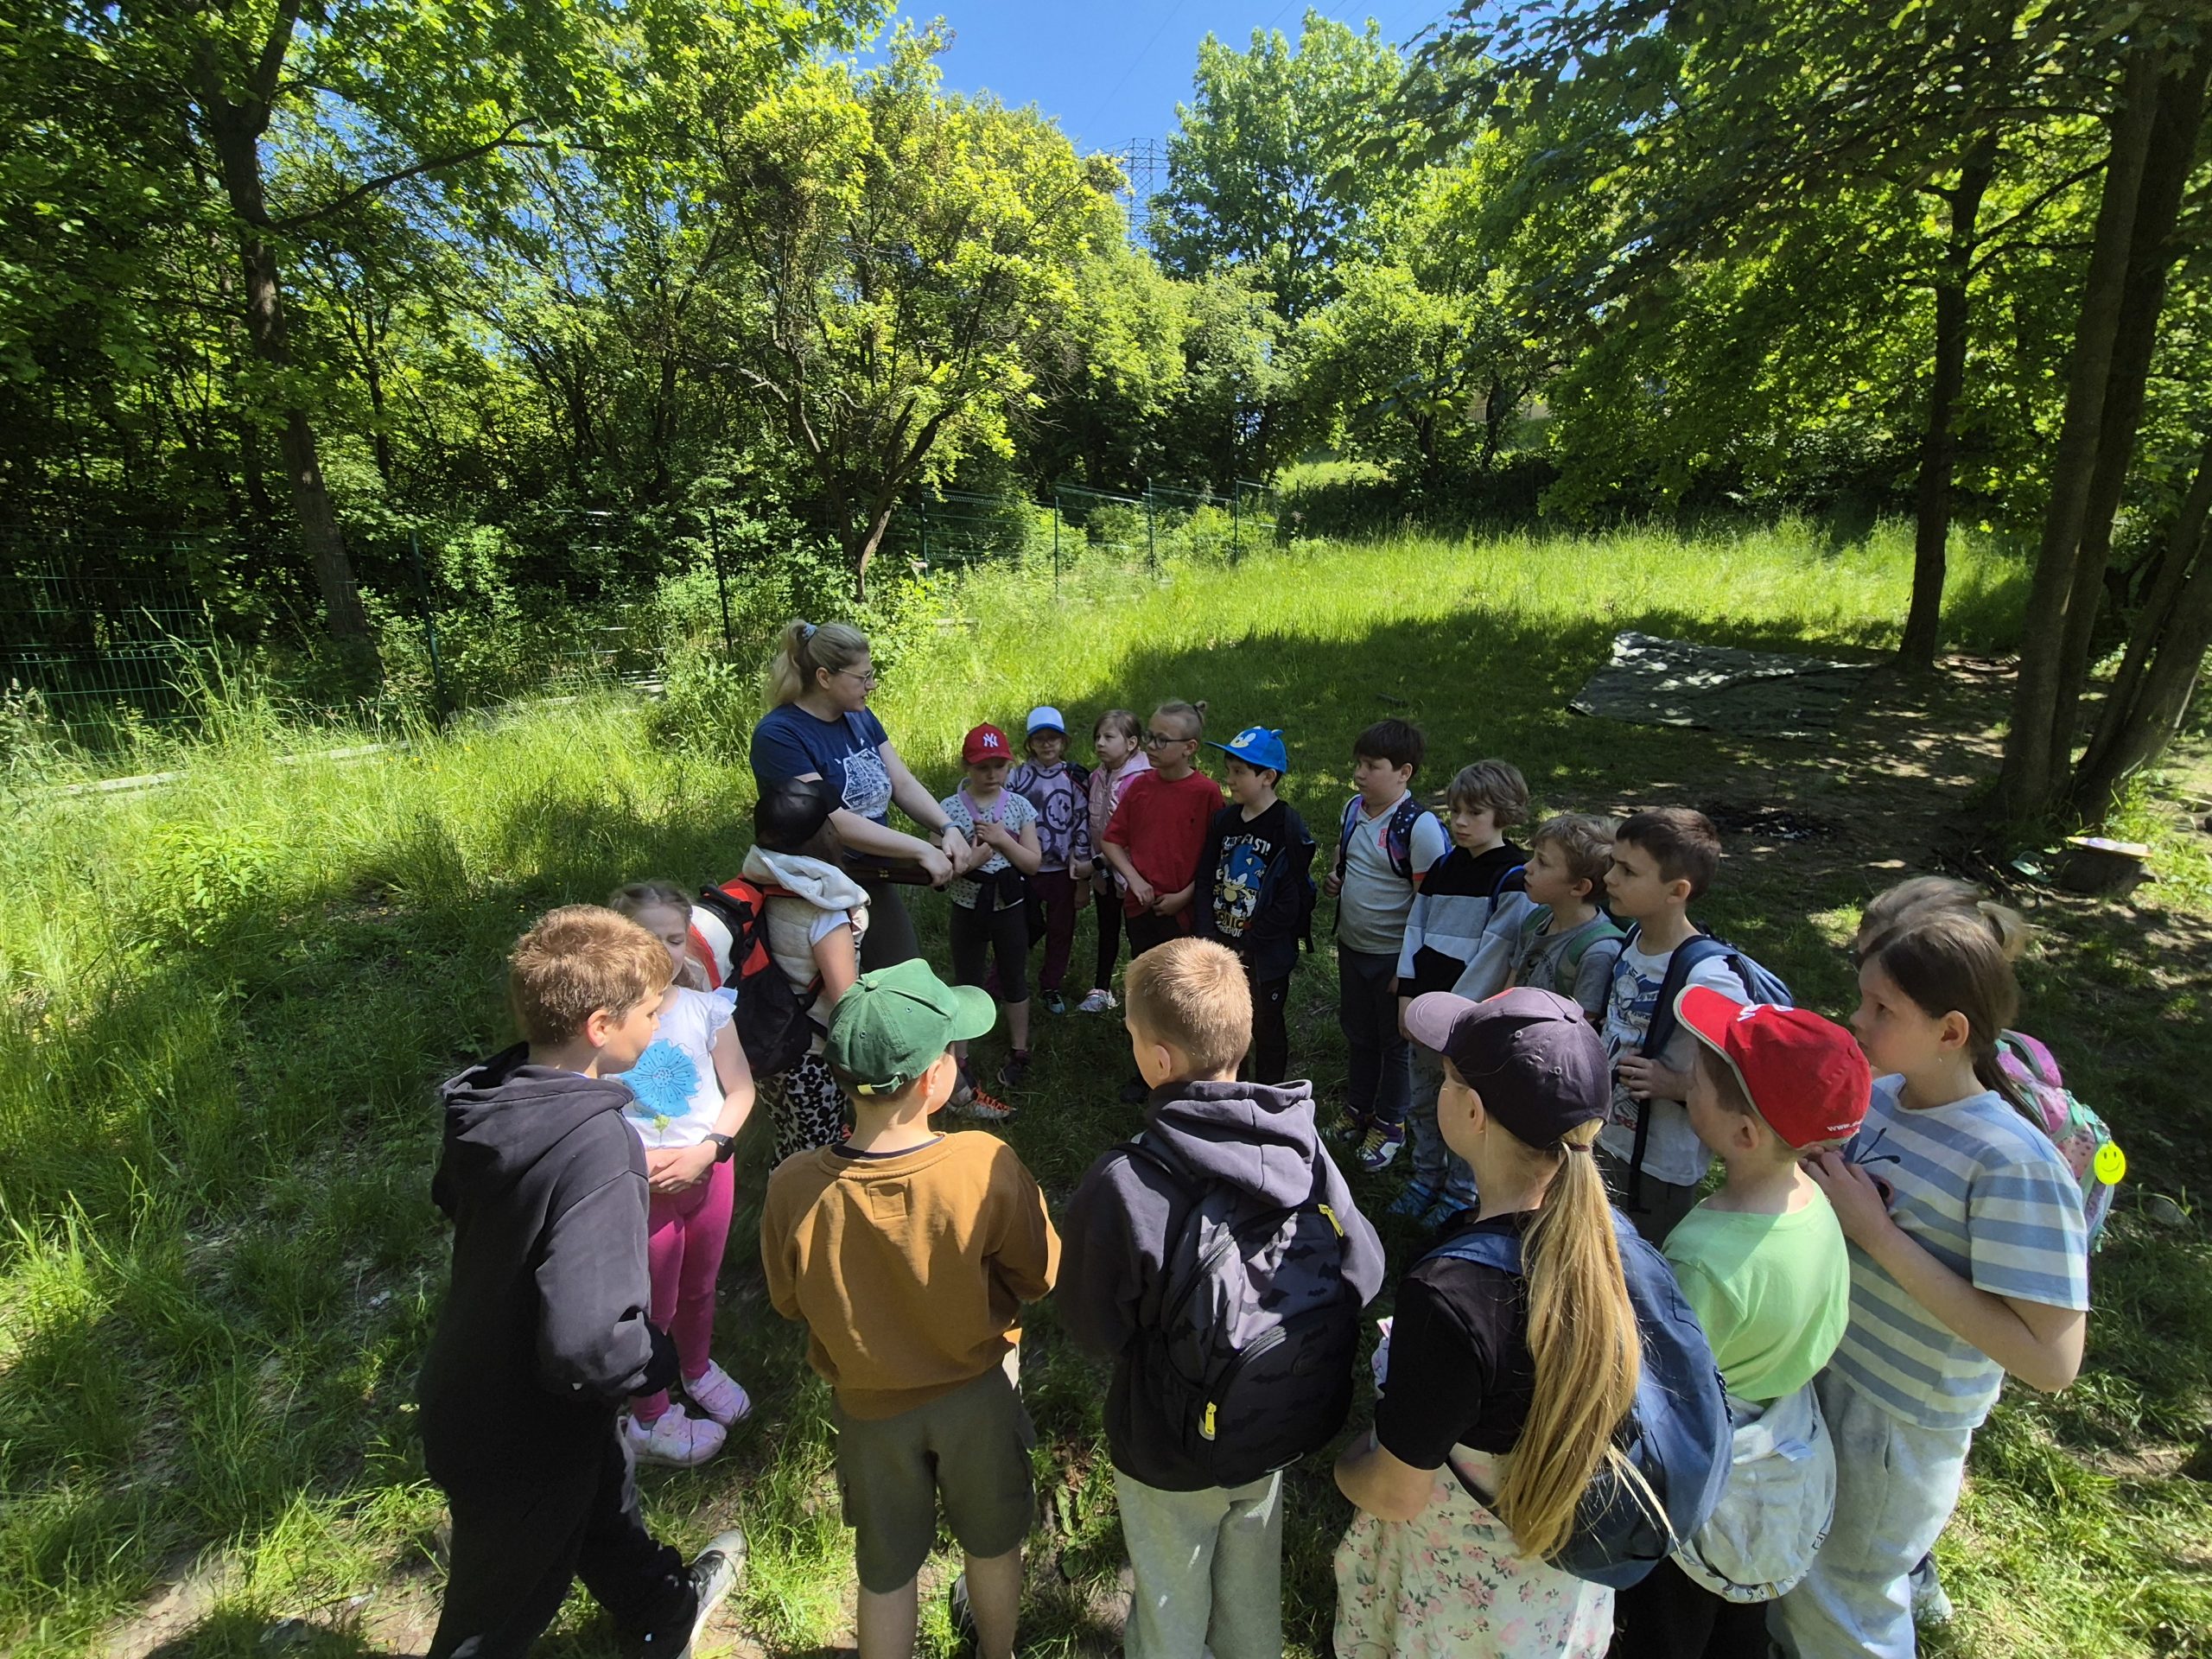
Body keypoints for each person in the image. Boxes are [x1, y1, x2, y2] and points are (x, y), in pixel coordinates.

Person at [419, 906, 743, 1659]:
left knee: (603, 1493)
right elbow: (588, 1342)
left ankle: (661, 1609)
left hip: (489, 1383)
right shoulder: (600, 1146)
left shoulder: (492, 1095)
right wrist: (655, 1361)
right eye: (652, 1014)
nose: (661, 1028)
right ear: (601, 1025)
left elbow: (450, 1196)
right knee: (490, 1620)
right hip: (520, 1426)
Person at [1776, 908, 2089, 1659]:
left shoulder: (2010, 1162)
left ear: (1952, 1032)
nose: (1857, 1020)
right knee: (1798, 1574)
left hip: (1896, 1423)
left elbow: (2052, 1363)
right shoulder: (1879, 1101)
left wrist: (1876, 1234)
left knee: (1843, 1604)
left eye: (1882, 1010)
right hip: (1823, 1374)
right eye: (1862, 999)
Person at [1059, 938, 1383, 1659]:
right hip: (1273, 1419)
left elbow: (1091, 1326)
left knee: (1171, 1592)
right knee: (1249, 1577)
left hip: (1167, 1444)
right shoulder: (1303, 1147)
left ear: (1160, 1061)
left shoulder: (1127, 1183)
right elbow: (1364, 1271)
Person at [760, 959, 1060, 1659]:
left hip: (868, 1407)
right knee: (992, 1546)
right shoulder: (982, 1162)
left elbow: (784, 1298)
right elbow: (1040, 1272)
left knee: (885, 1567)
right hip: (977, 1396)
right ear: (935, 1079)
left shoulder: (793, 1185)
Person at [1332, 988, 1637, 1658]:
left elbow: (1396, 1493)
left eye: (1445, 1077)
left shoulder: (1451, 1297)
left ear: (1470, 1112)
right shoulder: (1615, 1246)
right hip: (1558, 1596)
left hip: (1456, 1606)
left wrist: (1346, 1465)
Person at [1608, 988, 1870, 1659]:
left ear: (1744, 1134)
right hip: (1781, 1450)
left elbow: (1660, 1379)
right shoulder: (1814, 1202)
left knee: (1669, 1622)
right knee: (1740, 1624)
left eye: (1697, 1078)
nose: (1687, 1078)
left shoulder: (1708, 1260)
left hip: (1708, 1471)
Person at [605, 881, 759, 1469]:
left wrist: (711, 1150)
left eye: (675, 939)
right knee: (650, 1304)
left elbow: (740, 1089)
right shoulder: (604, 1026)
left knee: (699, 1285)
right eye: (649, 938)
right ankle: (649, 1414)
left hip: (709, 1174)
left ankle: (695, 1368)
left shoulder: (707, 1008)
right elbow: (586, 1104)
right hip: (639, 1188)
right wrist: (633, 1164)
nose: (664, 951)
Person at [749, 620, 969, 969]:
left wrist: (948, 826)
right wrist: (920, 848)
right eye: (862, 677)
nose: (872, 685)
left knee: (905, 981)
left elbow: (902, 782)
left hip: (872, 876)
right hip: (817, 889)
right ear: (824, 678)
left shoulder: (860, 716)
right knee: (840, 1000)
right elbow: (833, 821)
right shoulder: (779, 736)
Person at [1595, 808, 1744, 1241]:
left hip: (1659, 1167)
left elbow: (1742, 1072)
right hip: (1608, 1138)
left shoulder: (1709, 978)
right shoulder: (1634, 938)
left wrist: (1677, 1085)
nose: (1609, 878)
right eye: (1612, 864)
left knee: (1642, 1274)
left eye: (1627, 871)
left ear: (1676, 891)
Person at [1391, 759, 1533, 1200]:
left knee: (1468, 1109)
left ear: (1503, 813)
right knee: (1423, 1101)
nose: (1461, 822)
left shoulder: (1513, 877)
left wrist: (1451, 1019)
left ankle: (1461, 1192)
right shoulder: (1443, 867)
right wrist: (1408, 999)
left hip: (1466, 1025)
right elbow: (1415, 929)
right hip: (1423, 1015)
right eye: (1455, 812)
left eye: (1474, 813)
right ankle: (1423, 1177)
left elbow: (1495, 957)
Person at [1324, 719, 1448, 1170]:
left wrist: (1410, 967)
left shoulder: (1420, 828)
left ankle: (1391, 1123)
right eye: (1358, 763)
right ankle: (1359, 1109)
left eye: (1372, 766)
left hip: (1395, 959)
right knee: (1359, 1033)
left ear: (1404, 772)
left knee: (1394, 1042)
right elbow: (1346, 861)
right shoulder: (1353, 810)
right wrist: (1336, 880)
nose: (1359, 773)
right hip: (1353, 949)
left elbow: (1431, 904)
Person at [741, 779, 868, 1166]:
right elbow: (844, 997)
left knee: (789, 1136)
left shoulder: (760, 886)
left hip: (766, 1039)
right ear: (822, 837)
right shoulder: (824, 911)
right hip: (810, 1054)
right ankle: (803, 1218)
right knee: (818, 1154)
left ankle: (778, 1201)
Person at [1191, 725, 1315, 1084]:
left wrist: (1250, 943)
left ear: (1267, 777)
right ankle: (1235, 1090)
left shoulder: (1287, 828)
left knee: (1266, 1023)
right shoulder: (1224, 820)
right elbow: (1205, 877)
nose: (1229, 779)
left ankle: (1272, 1097)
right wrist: (1208, 933)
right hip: (1222, 945)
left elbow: (1291, 901)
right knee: (1230, 1024)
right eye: (1229, 770)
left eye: (1239, 772)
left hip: (1265, 955)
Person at [939, 722, 1043, 1111]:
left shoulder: (1017, 807)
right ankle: (961, 1055)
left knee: (1015, 976)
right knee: (965, 978)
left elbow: (1033, 863)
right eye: (983, 766)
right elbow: (939, 867)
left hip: (1008, 905)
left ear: (1009, 766)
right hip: (967, 906)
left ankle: (1020, 1049)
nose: (991, 774)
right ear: (967, 766)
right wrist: (971, 859)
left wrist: (1002, 841)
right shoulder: (948, 811)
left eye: (999, 766)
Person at [1007, 704, 1092, 1016]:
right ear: (1029, 743)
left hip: (1062, 871)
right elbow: (1005, 816)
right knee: (1019, 927)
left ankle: (1051, 984)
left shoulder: (1073, 778)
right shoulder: (1017, 777)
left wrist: (1082, 875)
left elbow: (1081, 824)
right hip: (1024, 868)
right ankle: (1003, 978)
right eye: (1039, 738)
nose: (1046, 744)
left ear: (1064, 742)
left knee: (1061, 930)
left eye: (1053, 738)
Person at [1509, 812, 1627, 1020]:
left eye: (1542, 862)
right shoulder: (1536, 920)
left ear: (1580, 886)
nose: (1528, 866)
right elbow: (1509, 990)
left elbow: (1582, 1030)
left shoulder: (1597, 952)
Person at [1079, 708, 1151, 1013]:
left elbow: (1132, 835)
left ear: (1132, 743)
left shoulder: (1140, 781)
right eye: (1097, 737)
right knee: (1107, 928)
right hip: (1104, 871)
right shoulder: (1098, 775)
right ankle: (1102, 989)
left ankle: (1145, 997)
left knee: (1139, 935)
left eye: (1109, 737)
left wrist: (1097, 863)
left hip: (1132, 871)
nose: (1100, 743)